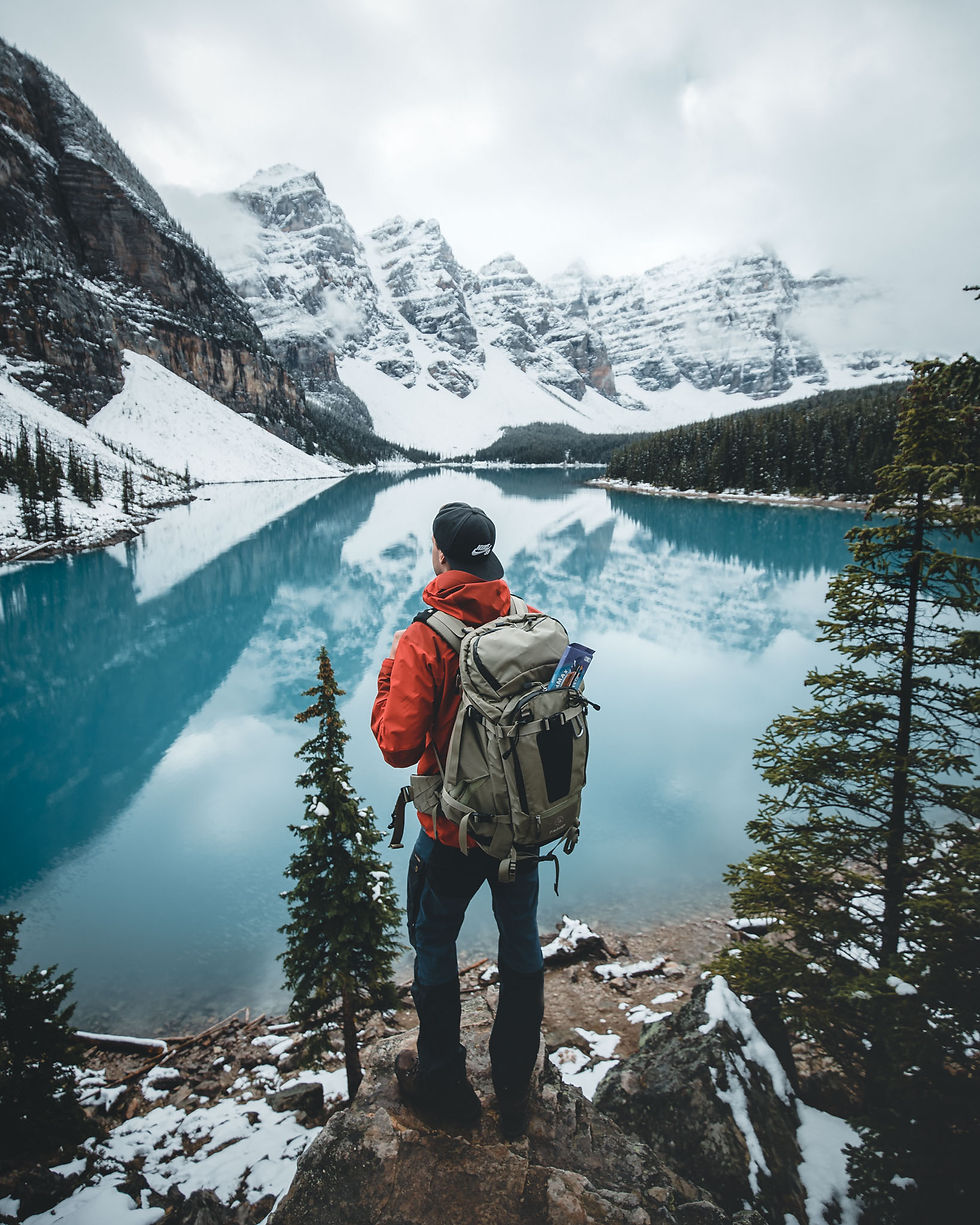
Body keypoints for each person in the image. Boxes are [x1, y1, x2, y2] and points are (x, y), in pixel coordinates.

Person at [371, 501, 545, 1138]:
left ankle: (445, 1083)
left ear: (441, 556)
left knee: (434, 937)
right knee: (520, 938)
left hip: (452, 831)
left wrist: (392, 672)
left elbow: (395, 746)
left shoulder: (426, 638)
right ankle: (513, 1088)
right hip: (521, 830)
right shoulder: (525, 620)